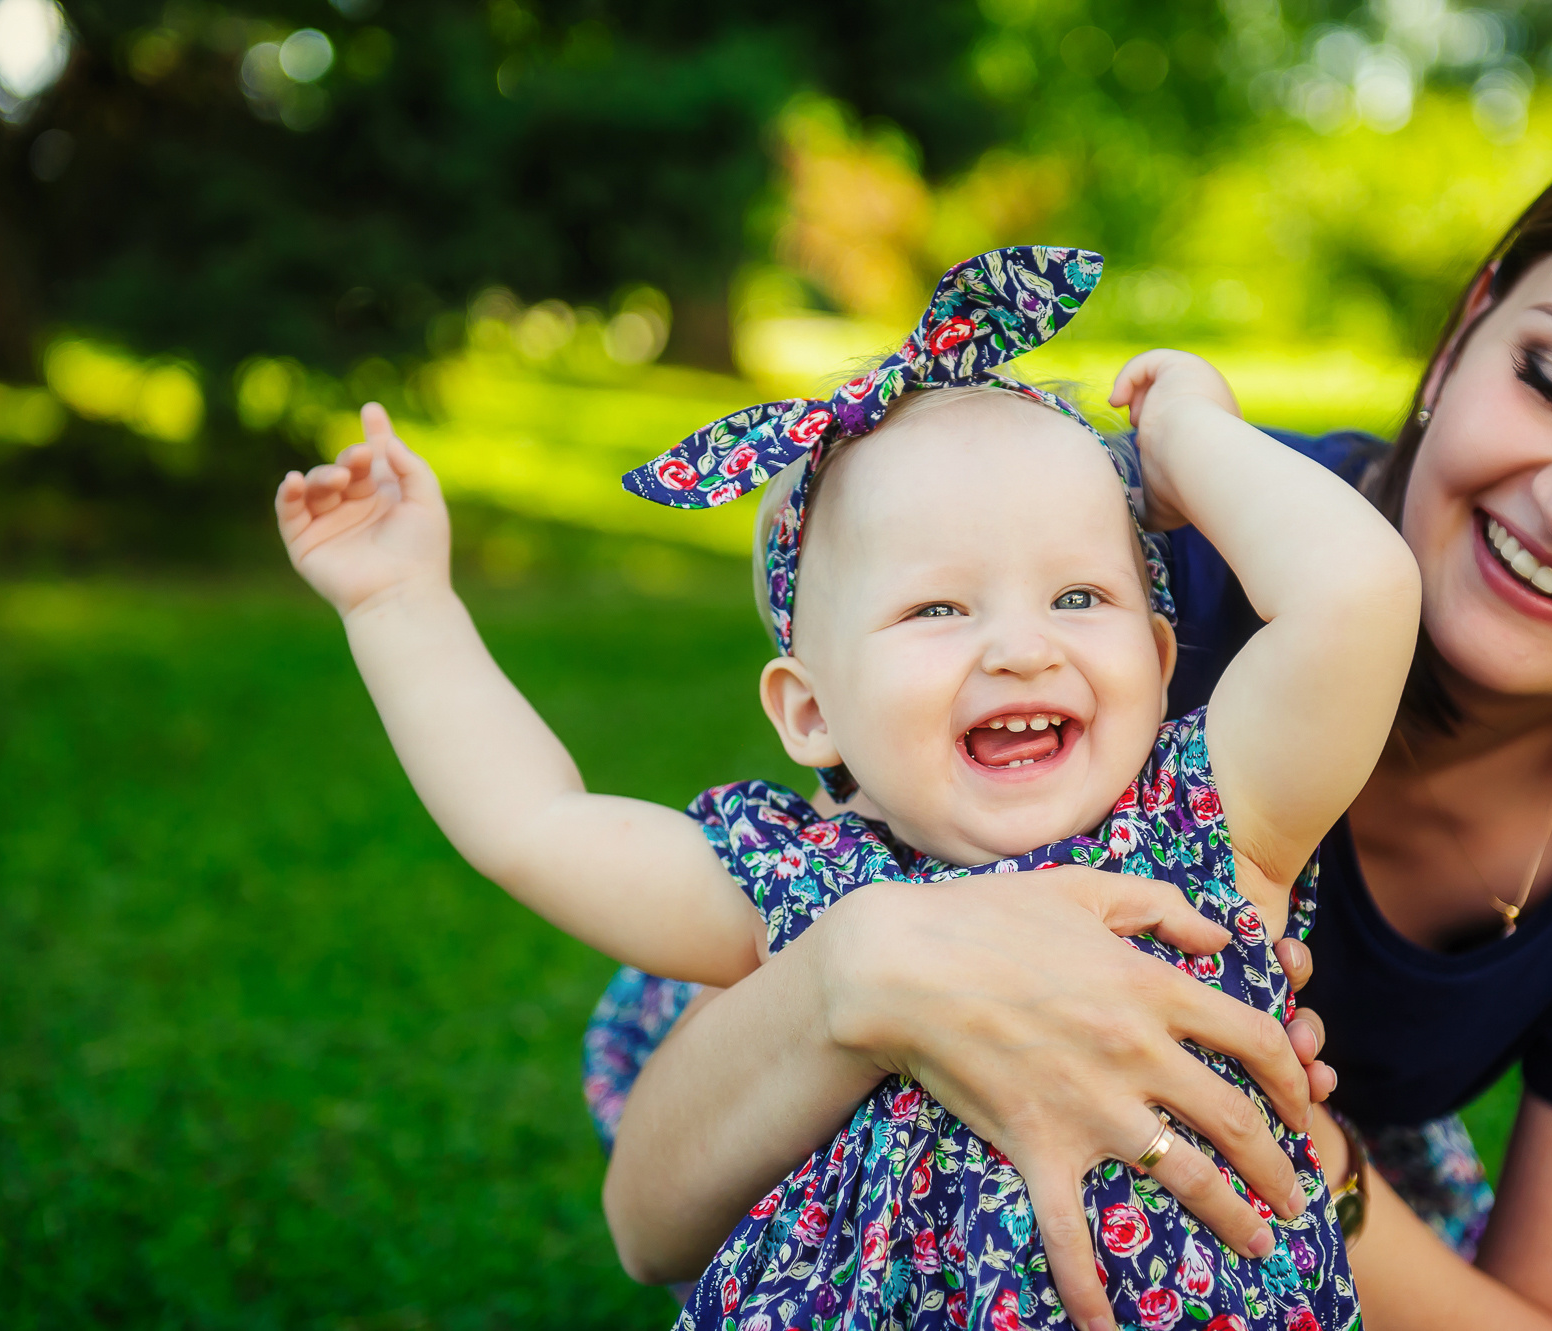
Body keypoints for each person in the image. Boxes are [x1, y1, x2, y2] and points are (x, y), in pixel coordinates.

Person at [593, 105, 1552, 1331]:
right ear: (1465, 334)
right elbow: (656, 1215)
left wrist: (1301, 1155)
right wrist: (866, 970)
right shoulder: (1122, 607)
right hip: (814, 1060)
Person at [277, 247, 1421, 1331]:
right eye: (937, 608)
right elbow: (533, 825)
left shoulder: (1212, 820)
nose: (1022, 647)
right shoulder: (801, 881)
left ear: (1163, 660)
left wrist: (1189, 437)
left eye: (1078, 597)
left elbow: (1358, 595)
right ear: (809, 710)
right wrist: (397, 604)